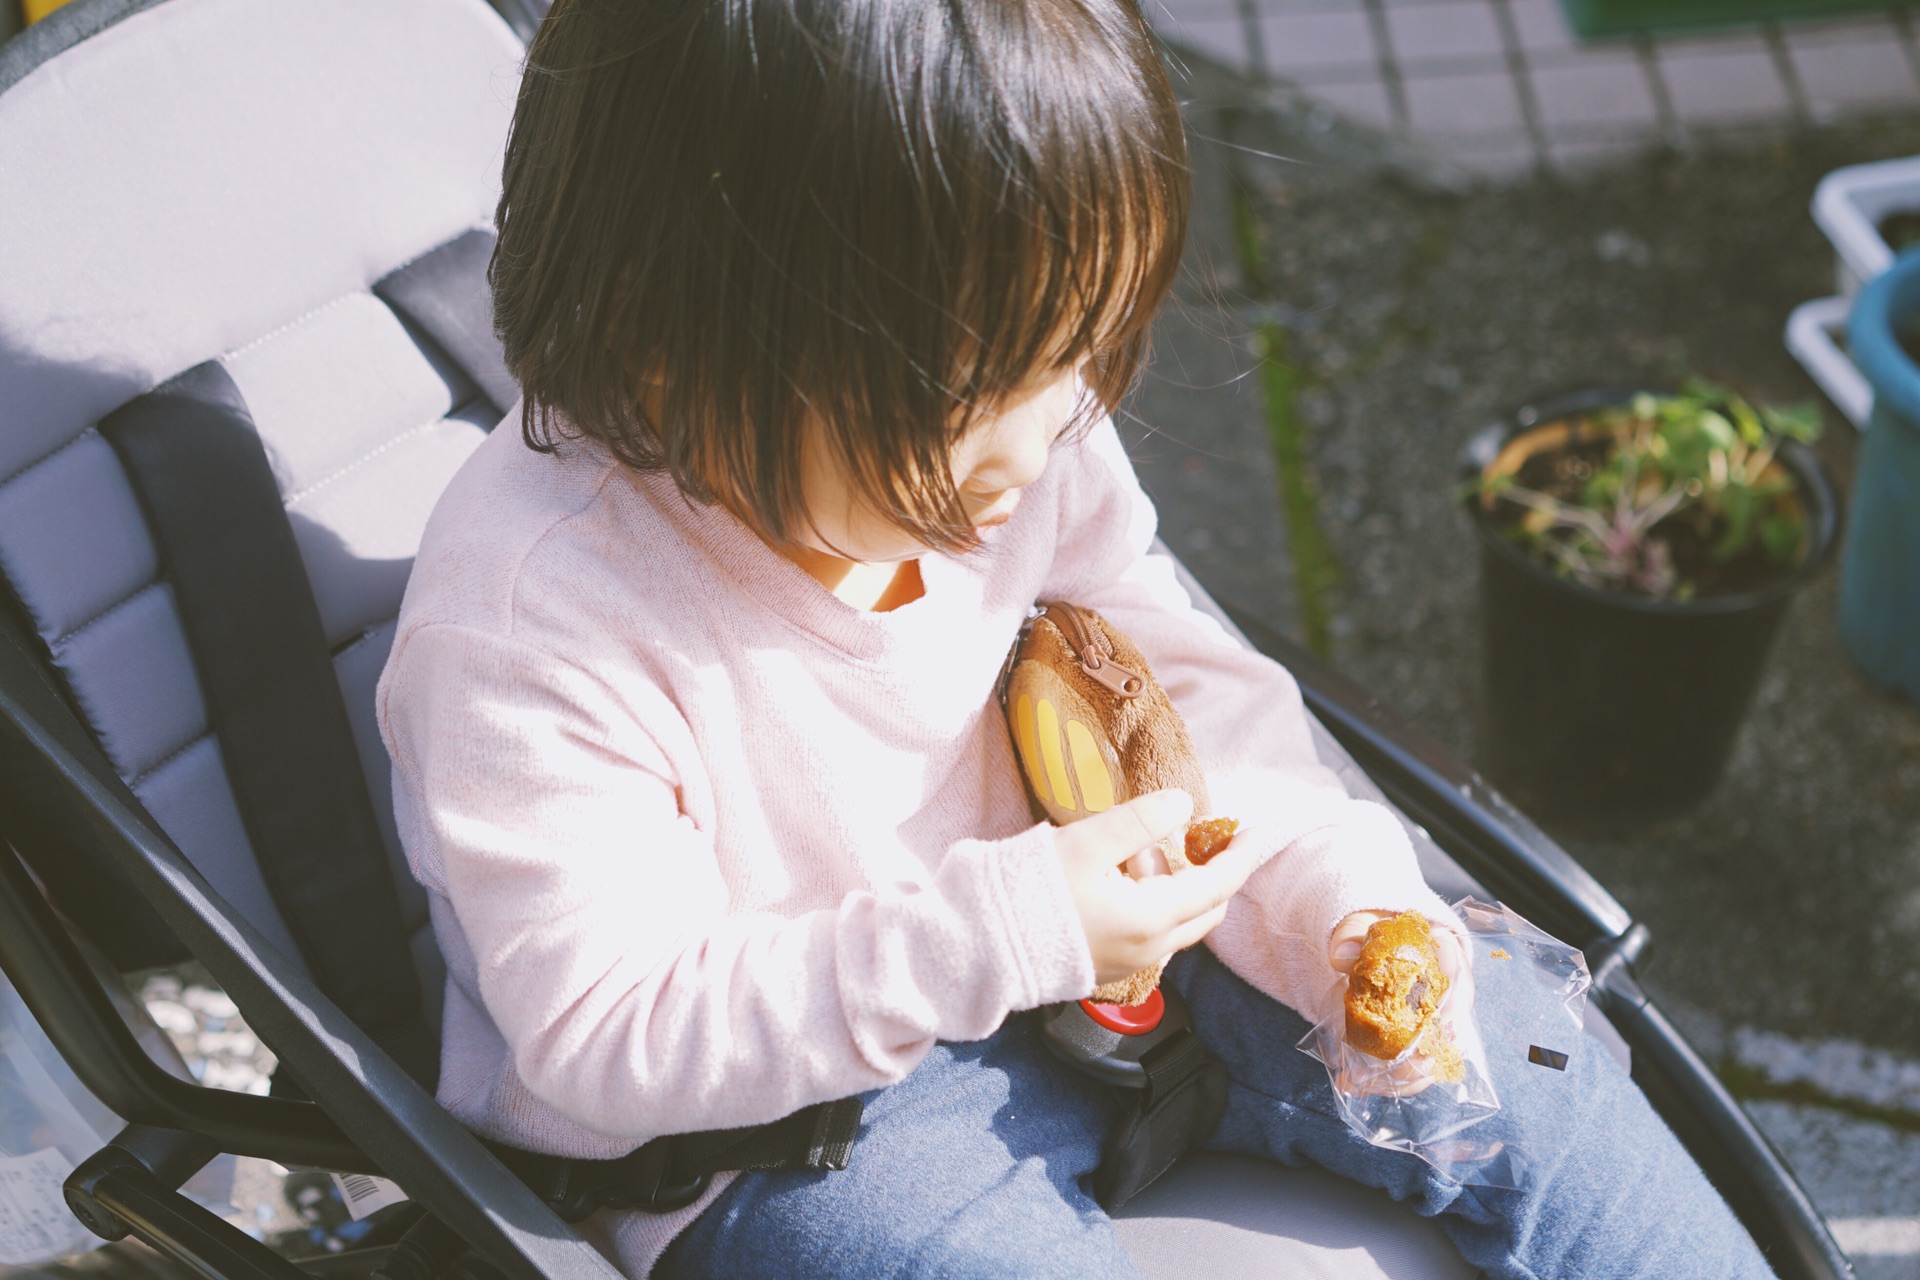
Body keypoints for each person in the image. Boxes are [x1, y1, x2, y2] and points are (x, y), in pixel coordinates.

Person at [376, 0, 1776, 1275]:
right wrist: (1017, 926)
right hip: (781, 1122)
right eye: (984, 381)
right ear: (668, 349)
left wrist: (1336, 908)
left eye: (1088, 349)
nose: (1055, 428)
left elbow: (1180, 677)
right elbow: (615, 1031)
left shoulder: (1019, 438)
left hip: (1079, 937)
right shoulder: (535, 627)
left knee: (1512, 1058)